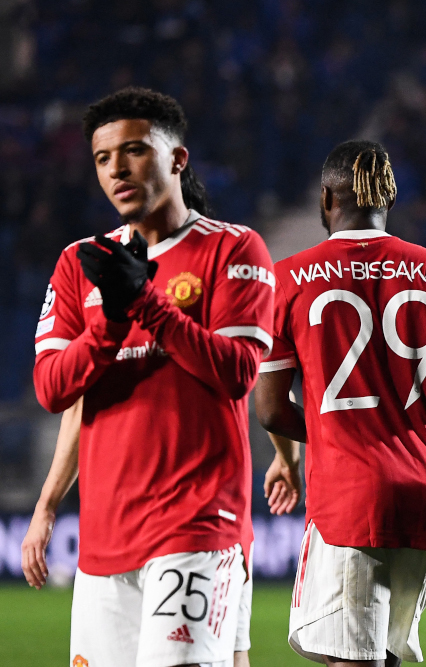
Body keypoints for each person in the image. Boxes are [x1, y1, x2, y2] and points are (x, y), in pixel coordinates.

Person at [31, 87, 274, 667]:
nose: (117, 168)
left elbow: (238, 372)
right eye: (102, 158)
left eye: (134, 151)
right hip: (104, 537)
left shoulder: (234, 247)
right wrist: (112, 323)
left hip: (196, 523)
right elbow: (53, 388)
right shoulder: (80, 264)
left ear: (177, 159)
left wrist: (146, 304)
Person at [254, 139, 426, 667]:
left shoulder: (289, 277)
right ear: (390, 196)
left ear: (325, 199)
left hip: (351, 492)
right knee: (382, 654)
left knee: (350, 661)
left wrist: (335, 436)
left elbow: (270, 409)